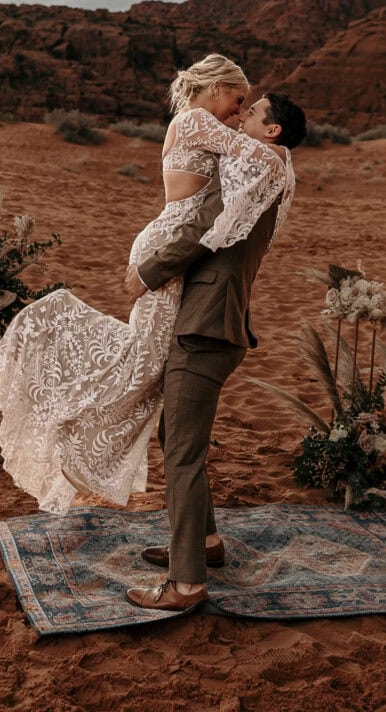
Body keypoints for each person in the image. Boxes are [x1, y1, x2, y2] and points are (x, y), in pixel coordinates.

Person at [0, 55, 303, 518]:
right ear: (214, 89)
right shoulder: (196, 120)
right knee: (142, 364)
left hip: (173, 253)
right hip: (165, 251)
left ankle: (87, 439)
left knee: (147, 367)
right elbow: (255, 155)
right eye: (237, 100)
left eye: (247, 107)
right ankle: (67, 427)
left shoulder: (206, 126)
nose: (237, 111)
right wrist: (284, 154)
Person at [124, 92, 307, 613]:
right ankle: (204, 544)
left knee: (181, 452)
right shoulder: (275, 167)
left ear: (271, 131)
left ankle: (186, 585)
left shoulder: (258, 168)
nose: (241, 116)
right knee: (176, 437)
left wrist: (146, 273)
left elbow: (206, 224)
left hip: (206, 328)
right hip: (217, 323)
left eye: (253, 112)